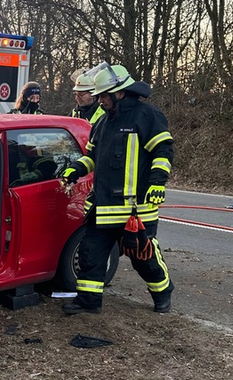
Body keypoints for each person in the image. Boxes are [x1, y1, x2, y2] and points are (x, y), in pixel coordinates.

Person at [60, 64, 174, 314]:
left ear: (119, 93)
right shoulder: (103, 123)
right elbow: (91, 156)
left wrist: (157, 183)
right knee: (91, 253)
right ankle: (88, 302)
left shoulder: (147, 116)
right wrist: (75, 170)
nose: (100, 101)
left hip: (136, 207)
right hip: (102, 205)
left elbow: (163, 152)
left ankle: (162, 293)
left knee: (142, 256)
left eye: (103, 96)